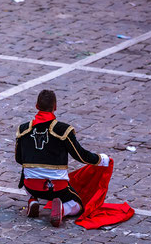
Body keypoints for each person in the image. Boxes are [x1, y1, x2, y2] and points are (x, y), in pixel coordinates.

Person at [15, 89, 110, 227]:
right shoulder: (63, 130)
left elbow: (19, 159)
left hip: (31, 185)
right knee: (78, 203)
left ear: (36, 106)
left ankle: (32, 200)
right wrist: (101, 159)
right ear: (55, 106)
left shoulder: (23, 129)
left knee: (29, 177)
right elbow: (80, 156)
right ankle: (62, 209)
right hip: (57, 188)